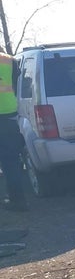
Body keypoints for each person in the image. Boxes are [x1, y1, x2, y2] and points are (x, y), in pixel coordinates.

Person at [0, 50, 28, 212]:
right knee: (11, 161)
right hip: (8, 116)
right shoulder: (10, 60)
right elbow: (17, 86)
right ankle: (19, 201)